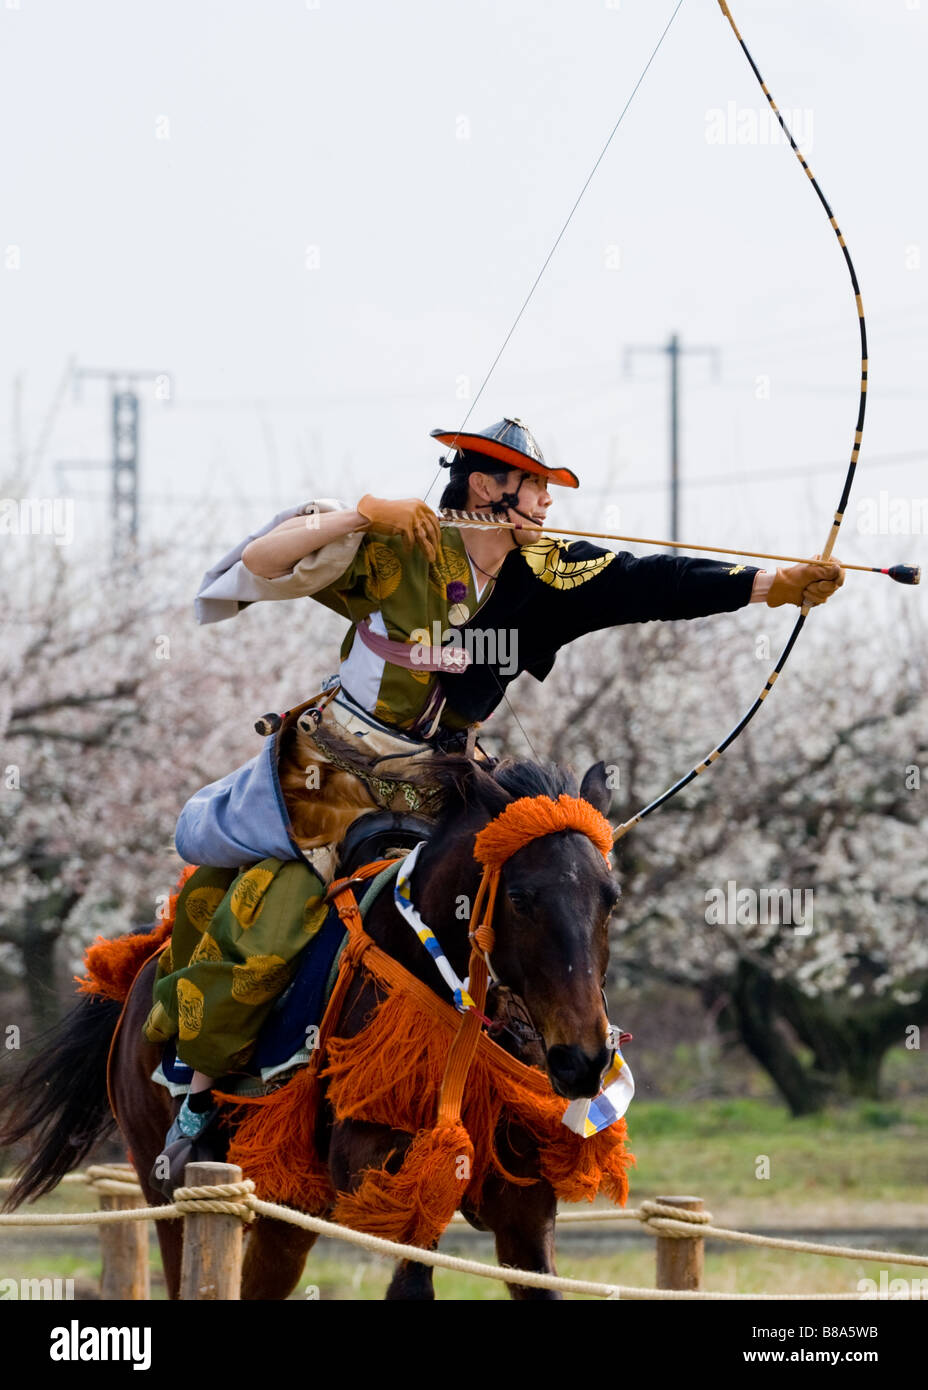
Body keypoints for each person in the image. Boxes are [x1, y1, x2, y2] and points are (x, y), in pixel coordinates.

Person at [147, 417, 845, 1159]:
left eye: (546, 490)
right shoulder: (401, 543)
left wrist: (771, 586)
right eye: (536, 487)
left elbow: (650, 581)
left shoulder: (547, 570)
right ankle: (200, 1097)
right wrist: (359, 512)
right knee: (273, 917)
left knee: (538, 902)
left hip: (450, 781)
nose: (547, 504)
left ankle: (540, 1089)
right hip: (338, 773)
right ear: (487, 484)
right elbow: (259, 561)